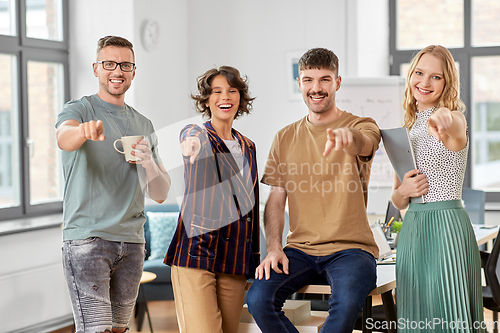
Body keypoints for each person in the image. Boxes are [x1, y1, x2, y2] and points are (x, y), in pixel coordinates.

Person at [246, 48, 381, 333]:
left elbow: (366, 143)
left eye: (324, 79)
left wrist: (350, 138)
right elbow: (276, 197)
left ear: (338, 82)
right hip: (300, 250)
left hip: (352, 250)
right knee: (258, 299)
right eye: (308, 80)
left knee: (344, 307)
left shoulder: (360, 125)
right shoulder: (284, 137)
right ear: (299, 83)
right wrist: (273, 248)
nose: (316, 88)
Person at [55, 36, 171, 333]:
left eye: (125, 64)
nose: (117, 71)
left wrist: (149, 164)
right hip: (88, 240)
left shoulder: (143, 124)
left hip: (132, 242)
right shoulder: (79, 110)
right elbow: (64, 138)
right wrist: (83, 132)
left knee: (119, 329)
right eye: (109, 64)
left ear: (134, 71)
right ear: (96, 69)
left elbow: (160, 193)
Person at [391, 45, 484, 332]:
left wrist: (443, 118)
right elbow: (397, 200)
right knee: (416, 317)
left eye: (436, 77)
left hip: (447, 227)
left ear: (447, 83)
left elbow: (454, 126)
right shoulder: (404, 130)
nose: (425, 82)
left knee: (450, 316)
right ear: (410, 76)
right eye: (419, 73)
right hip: (413, 230)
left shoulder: (454, 119)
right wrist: (404, 190)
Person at [164, 66, 259, 333]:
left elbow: (251, 206)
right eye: (216, 92)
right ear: (207, 99)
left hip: (235, 260)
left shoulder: (248, 146)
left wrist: (254, 258)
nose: (224, 97)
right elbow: (190, 137)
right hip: (197, 254)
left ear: (240, 97)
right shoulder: (199, 134)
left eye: (231, 91)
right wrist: (191, 144)